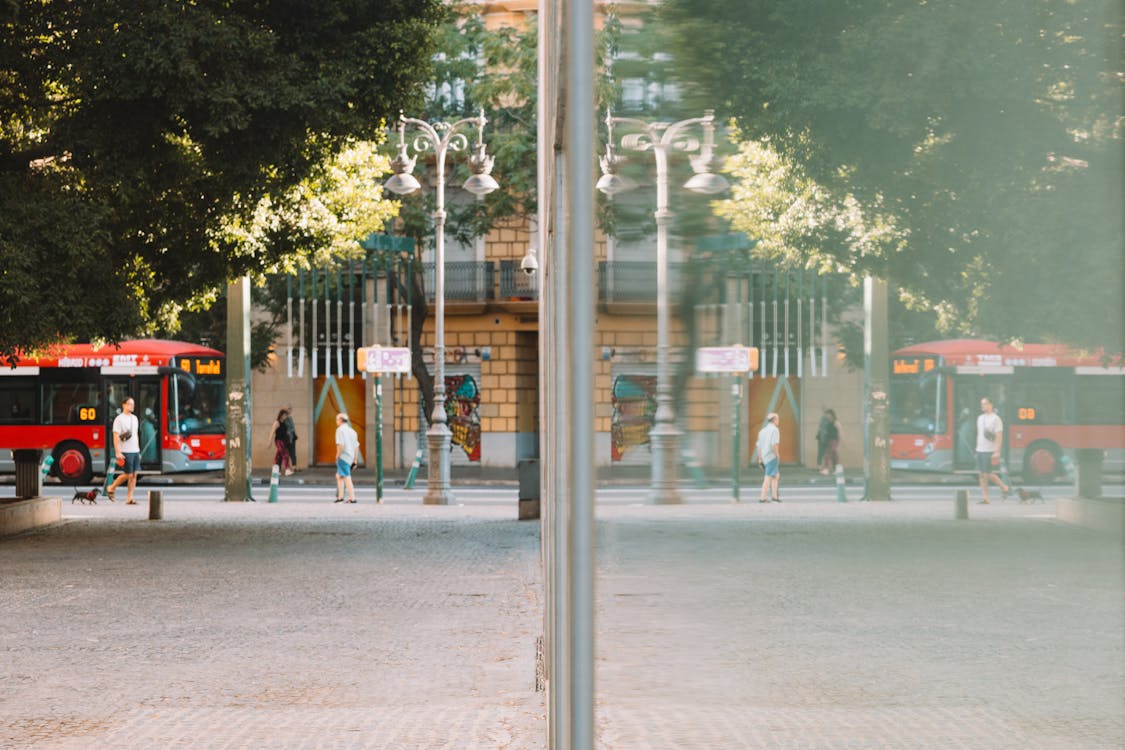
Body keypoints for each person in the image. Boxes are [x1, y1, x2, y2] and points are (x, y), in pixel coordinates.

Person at [106, 397, 141, 504]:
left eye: (133, 404)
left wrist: (138, 450)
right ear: (124, 405)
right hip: (125, 450)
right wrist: (118, 452)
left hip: (135, 450)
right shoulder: (119, 419)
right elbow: (115, 436)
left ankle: (129, 498)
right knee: (128, 474)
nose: (132, 406)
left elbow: (136, 435)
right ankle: (111, 487)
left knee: (134, 475)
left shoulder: (135, 418)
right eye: (130, 404)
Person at [975, 397, 1010, 503]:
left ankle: (1004, 487)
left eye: (985, 404)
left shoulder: (996, 419)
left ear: (991, 405)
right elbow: (979, 434)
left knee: (987, 474)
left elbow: (999, 436)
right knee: (981, 475)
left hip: (990, 450)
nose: (983, 406)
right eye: (982, 404)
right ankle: (986, 498)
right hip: (980, 449)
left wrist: (997, 451)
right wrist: (976, 448)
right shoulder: (980, 418)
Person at [755, 412, 781, 503]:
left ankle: (775, 497)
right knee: (768, 476)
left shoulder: (762, 431)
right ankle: (762, 497)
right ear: (774, 420)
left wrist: (760, 458)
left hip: (765, 457)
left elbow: (758, 446)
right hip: (771, 456)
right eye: (778, 419)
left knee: (776, 475)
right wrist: (777, 454)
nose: (778, 421)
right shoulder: (775, 430)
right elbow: (774, 444)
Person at [334, 412, 359, 504]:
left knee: (346, 477)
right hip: (350, 456)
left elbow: (340, 444)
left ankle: (352, 498)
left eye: (337, 419)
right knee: (339, 475)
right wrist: (355, 460)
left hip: (343, 456)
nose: (336, 421)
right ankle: (340, 497)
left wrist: (337, 455)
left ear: (340, 420)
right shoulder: (353, 431)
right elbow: (356, 446)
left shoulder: (340, 430)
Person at [268, 409, 293, 476]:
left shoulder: (284, 422)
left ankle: (276, 470)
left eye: (286, 415)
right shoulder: (277, 422)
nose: (285, 417)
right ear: (281, 415)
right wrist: (269, 441)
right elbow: (272, 432)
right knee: (285, 454)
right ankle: (287, 469)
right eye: (284, 415)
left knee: (279, 456)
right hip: (279, 441)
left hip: (284, 441)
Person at [816, 407, 840, 475]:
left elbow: (840, 430)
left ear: (831, 415)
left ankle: (830, 469)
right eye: (827, 415)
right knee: (831, 455)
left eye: (828, 415)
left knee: (831, 454)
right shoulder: (828, 422)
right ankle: (831, 469)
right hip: (829, 440)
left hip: (834, 440)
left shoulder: (835, 421)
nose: (827, 416)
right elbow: (825, 430)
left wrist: (842, 440)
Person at [282, 405, 299, 472]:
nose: (289, 410)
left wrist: (290, 431)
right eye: (288, 409)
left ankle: (294, 467)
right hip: (286, 438)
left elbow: (292, 428)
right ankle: (287, 467)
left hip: (291, 438)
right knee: (286, 453)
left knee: (293, 452)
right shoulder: (283, 419)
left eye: (290, 409)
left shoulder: (290, 418)